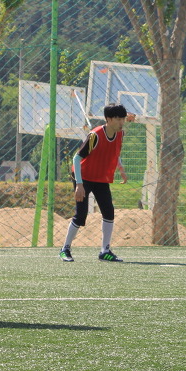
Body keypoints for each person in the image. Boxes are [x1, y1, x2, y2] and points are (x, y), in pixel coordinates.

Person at [60, 103, 136, 263]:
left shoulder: (120, 134)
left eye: (123, 119)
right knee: (81, 215)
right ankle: (65, 249)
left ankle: (105, 251)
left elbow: (114, 152)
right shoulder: (95, 136)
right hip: (83, 176)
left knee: (109, 212)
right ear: (108, 119)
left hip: (100, 178)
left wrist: (121, 168)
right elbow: (77, 158)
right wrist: (79, 185)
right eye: (118, 119)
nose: (121, 122)